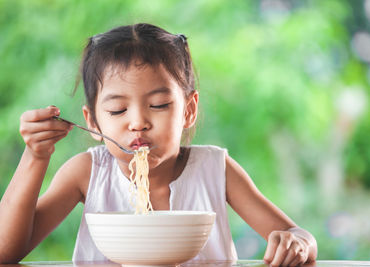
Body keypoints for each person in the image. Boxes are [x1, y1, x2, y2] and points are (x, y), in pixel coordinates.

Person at [0, 23, 317, 266]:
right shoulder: (87, 173)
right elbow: (5, 251)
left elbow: (299, 236)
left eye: (159, 105)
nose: (137, 122)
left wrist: (297, 244)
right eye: (117, 110)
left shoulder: (215, 170)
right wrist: (35, 156)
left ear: (188, 111)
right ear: (93, 121)